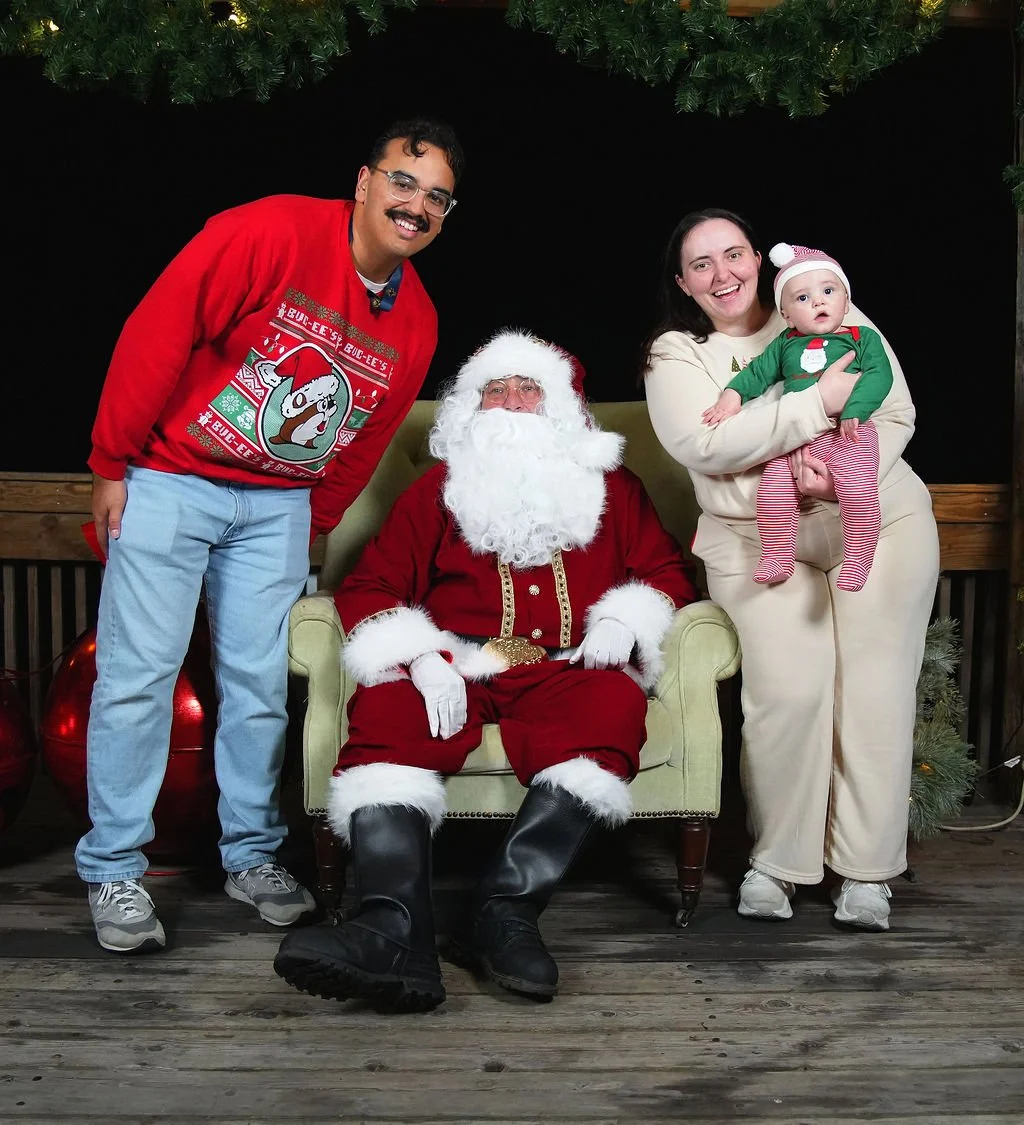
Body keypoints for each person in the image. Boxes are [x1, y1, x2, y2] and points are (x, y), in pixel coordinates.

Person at [77, 118, 465, 954]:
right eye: (404, 182)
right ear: (363, 182)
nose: (417, 205)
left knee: (256, 689)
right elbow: (160, 330)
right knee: (138, 679)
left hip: (277, 505)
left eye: (437, 197)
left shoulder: (417, 320)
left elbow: (363, 435)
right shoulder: (269, 229)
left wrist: (312, 521)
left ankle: (250, 854)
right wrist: (113, 462)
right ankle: (113, 865)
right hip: (173, 480)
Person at [273, 329, 698, 1012]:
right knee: (387, 709)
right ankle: (393, 930)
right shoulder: (437, 490)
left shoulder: (614, 488)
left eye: (525, 388)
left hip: (569, 666)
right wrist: (419, 655)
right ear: (469, 409)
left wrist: (627, 618)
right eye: (491, 390)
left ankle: (505, 912)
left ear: (559, 405)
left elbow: (666, 572)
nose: (506, 402)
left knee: (613, 708)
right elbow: (373, 585)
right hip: (459, 661)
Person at [641, 208, 939, 933]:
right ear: (683, 282)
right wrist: (818, 405)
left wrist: (840, 481)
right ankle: (778, 861)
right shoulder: (676, 354)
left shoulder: (817, 298)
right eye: (702, 263)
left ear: (757, 257)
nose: (724, 273)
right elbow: (704, 443)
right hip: (753, 536)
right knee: (790, 689)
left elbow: (892, 411)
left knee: (875, 688)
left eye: (734, 253)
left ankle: (866, 872)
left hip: (878, 515)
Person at [703, 242, 893, 591]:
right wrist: (731, 398)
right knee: (772, 488)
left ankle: (860, 555)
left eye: (828, 291)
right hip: (801, 436)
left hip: (850, 431)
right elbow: (756, 374)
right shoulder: (785, 344)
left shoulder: (860, 337)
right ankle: (778, 554)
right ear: (787, 315)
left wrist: (855, 409)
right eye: (802, 298)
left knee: (856, 485)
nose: (818, 301)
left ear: (846, 302)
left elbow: (880, 375)